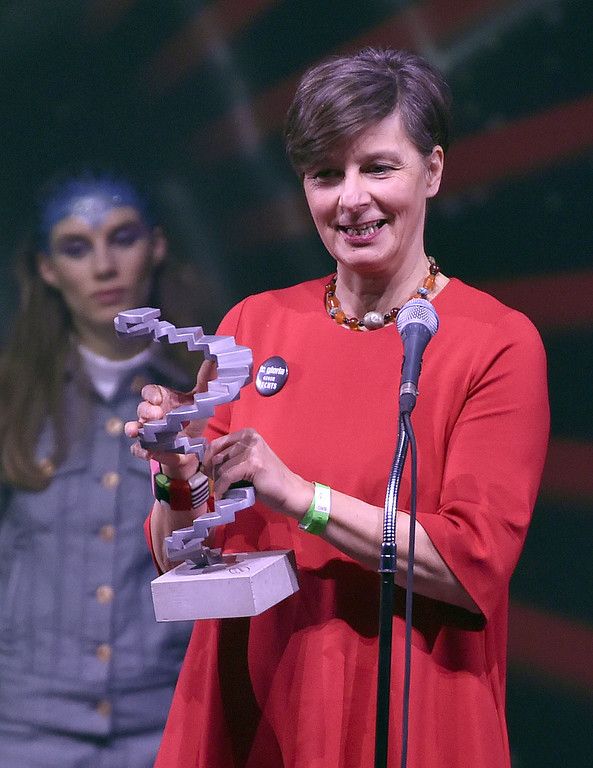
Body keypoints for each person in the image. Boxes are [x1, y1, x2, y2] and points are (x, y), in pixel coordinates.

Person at [127, 49, 549, 768]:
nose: (350, 199)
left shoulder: (495, 343)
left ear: (433, 171)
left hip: (411, 717)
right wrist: (175, 472)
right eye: (325, 174)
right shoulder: (253, 327)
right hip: (252, 711)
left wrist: (301, 497)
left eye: (377, 168)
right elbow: (178, 555)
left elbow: (471, 563)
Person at [0, 168, 198, 768]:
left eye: (122, 238)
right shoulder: (12, 395)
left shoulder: (206, 391)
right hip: (27, 725)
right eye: (76, 247)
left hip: (167, 716)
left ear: (156, 245)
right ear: (46, 268)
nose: (104, 267)